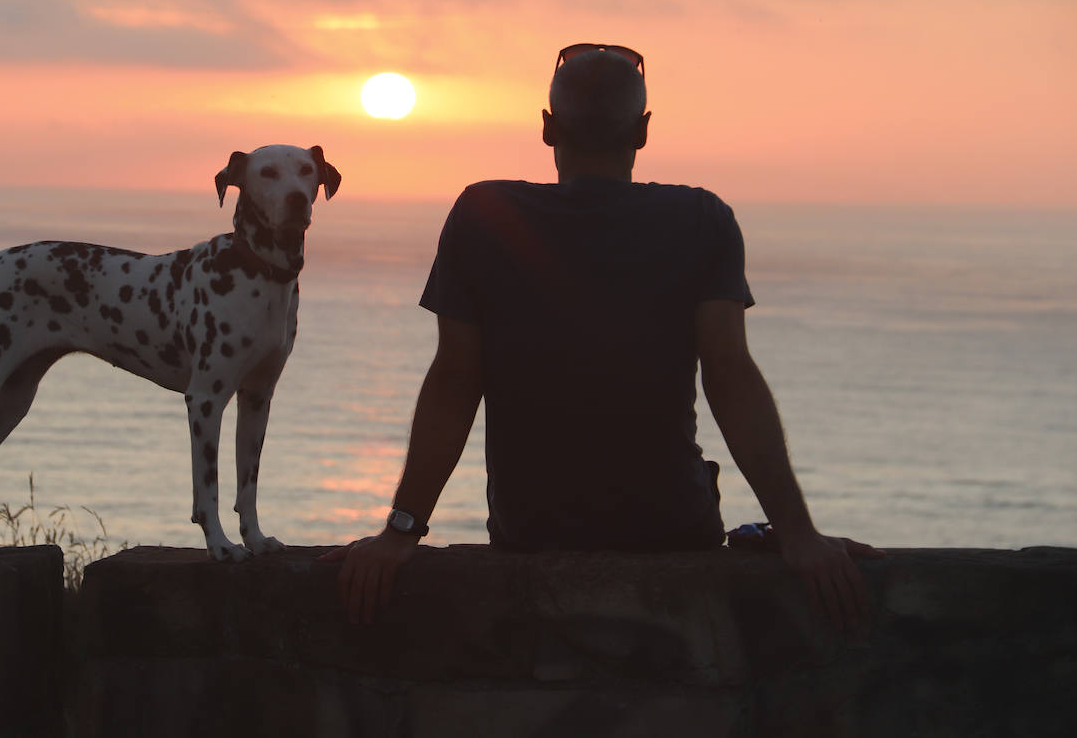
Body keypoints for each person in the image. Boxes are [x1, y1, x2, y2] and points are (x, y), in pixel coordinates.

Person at [320, 44, 883, 629]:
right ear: (642, 132)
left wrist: (402, 529)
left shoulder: (484, 212)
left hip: (533, 537)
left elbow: (456, 380)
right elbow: (730, 375)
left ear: (547, 128)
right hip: (673, 532)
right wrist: (796, 533)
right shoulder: (701, 219)